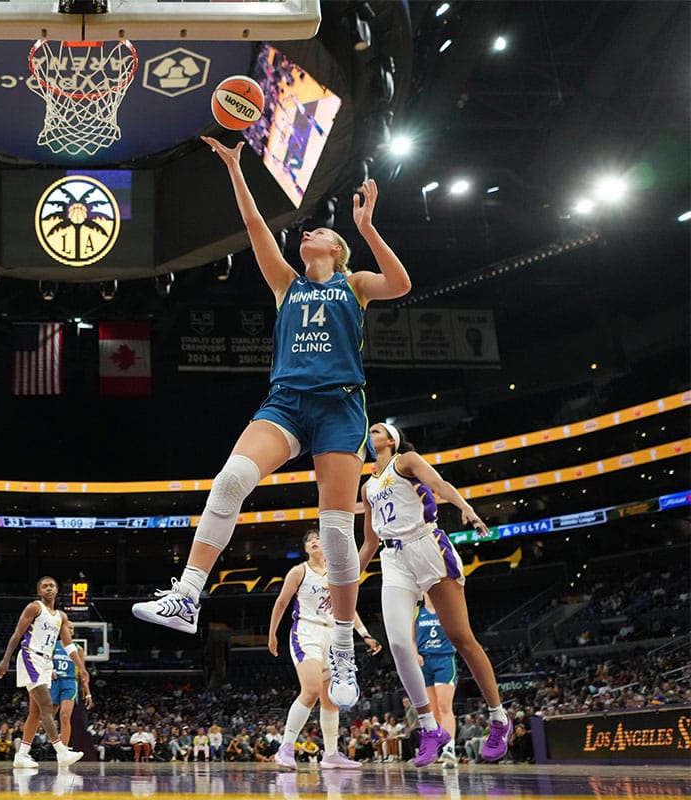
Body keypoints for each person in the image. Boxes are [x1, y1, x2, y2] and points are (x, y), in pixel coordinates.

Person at [133, 138, 412, 713]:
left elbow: (402, 284)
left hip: (339, 408)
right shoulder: (287, 284)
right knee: (229, 481)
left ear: (336, 248)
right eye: (304, 232)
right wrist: (236, 168)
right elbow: (255, 222)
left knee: (335, 532)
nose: (305, 233)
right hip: (285, 403)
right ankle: (187, 594)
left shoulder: (354, 286)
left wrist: (366, 226)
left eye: (317, 233)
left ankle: (340, 646)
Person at [359, 421, 513, 767]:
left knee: (462, 638)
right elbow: (369, 542)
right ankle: (430, 728)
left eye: (378, 429)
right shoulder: (368, 487)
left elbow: (439, 483)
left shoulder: (406, 460)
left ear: (391, 440)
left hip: (427, 545)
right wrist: (345, 580)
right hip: (393, 556)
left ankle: (500, 719)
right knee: (399, 644)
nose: (372, 433)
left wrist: (465, 506)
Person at [267, 529, 382, 771]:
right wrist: (272, 634)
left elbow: (348, 607)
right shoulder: (299, 571)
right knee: (309, 691)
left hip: (332, 634)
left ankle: (330, 755)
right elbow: (281, 602)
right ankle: (285, 748)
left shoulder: (338, 572)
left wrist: (365, 634)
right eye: (309, 540)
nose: (314, 541)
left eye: (317, 538)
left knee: (330, 700)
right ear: (306, 549)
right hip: (306, 632)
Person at [0, 577, 85, 769]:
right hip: (30, 656)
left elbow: (69, 645)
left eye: (52, 585)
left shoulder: (61, 616)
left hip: (46, 662)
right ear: (39, 591)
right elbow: (17, 634)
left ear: (57, 590)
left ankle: (21, 756)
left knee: (35, 712)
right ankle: (61, 752)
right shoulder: (34, 607)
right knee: (47, 705)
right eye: (44, 586)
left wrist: (82, 667)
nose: (49, 588)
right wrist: (6, 659)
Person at [416, 593, 459, 766]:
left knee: (444, 706)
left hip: (444, 659)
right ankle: (438, 750)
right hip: (424, 662)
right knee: (433, 711)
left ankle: (450, 749)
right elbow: (411, 638)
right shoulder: (417, 612)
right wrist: (414, 653)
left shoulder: (447, 609)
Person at [50, 620, 92, 749]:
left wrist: (88, 693)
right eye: (69, 628)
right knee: (48, 717)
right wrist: (50, 669)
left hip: (70, 682)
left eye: (73, 629)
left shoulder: (78, 648)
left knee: (64, 715)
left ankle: (64, 748)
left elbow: (83, 673)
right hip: (54, 682)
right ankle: (53, 742)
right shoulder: (52, 645)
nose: (71, 630)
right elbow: (46, 662)